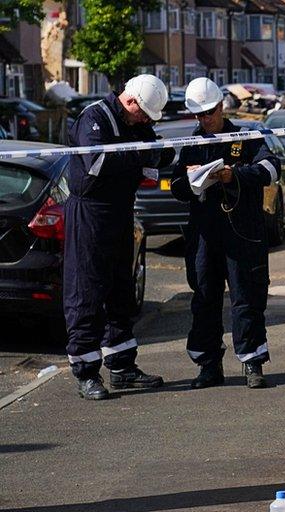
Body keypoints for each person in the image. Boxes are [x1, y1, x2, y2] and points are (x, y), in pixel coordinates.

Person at [64, 74, 176, 400]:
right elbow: (96, 161)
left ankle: (122, 367)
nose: (145, 121)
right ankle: (86, 373)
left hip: (119, 214)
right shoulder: (94, 118)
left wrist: (155, 154)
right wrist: (142, 155)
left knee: (120, 292)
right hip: (90, 215)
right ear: (131, 102)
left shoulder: (136, 124)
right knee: (85, 293)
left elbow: (155, 158)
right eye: (143, 114)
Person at [170, 77, 281, 389]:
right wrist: (191, 182)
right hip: (204, 233)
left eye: (210, 113)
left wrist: (235, 175)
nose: (205, 120)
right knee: (204, 297)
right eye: (200, 115)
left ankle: (252, 362)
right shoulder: (191, 143)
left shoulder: (246, 135)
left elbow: (272, 169)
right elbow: (176, 187)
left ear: (221, 106)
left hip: (243, 231)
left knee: (247, 296)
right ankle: (208, 365)